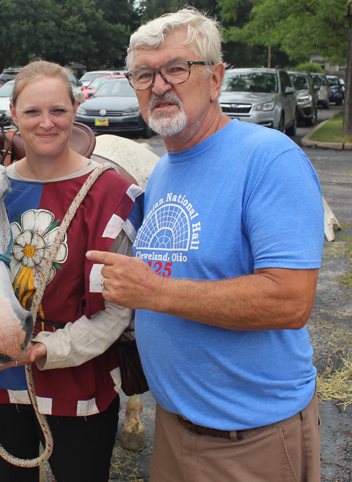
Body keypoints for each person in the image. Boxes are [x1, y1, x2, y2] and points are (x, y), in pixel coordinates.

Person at [86, 8, 324, 482]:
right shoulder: (166, 169)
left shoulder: (270, 159)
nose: (158, 85)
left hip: (251, 438)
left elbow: (289, 301)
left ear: (215, 79)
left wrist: (153, 293)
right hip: (174, 429)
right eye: (144, 74)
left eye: (176, 68)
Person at [0, 60, 143, 482]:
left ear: (76, 108)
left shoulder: (112, 193)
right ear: (14, 114)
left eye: (58, 110)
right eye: (32, 112)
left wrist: (46, 350)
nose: (46, 123)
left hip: (79, 376)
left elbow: (117, 309)